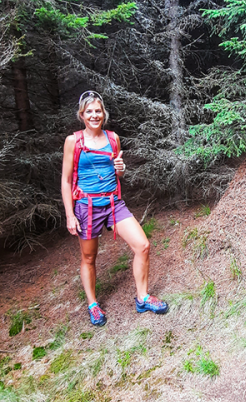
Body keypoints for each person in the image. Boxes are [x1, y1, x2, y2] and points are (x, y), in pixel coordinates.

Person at [62, 91, 168, 327]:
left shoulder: (113, 138)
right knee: (89, 257)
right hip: (87, 206)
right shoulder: (74, 142)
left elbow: (118, 172)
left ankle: (142, 298)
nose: (94, 115)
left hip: (113, 203)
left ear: (104, 114)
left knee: (143, 245)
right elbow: (67, 180)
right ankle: (93, 304)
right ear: (81, 115)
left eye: (98, 111)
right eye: (89, 111)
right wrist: (70, 215)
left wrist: (120, 168)